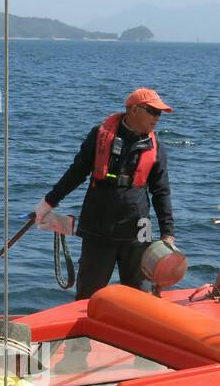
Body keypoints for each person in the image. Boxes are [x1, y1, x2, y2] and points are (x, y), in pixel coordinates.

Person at [33, 87, 177, 300]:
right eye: (153, 111)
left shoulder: (157, 149)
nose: (158, 117)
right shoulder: (99, 136)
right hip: (98, 229)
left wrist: (168, 234)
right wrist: (49, 202)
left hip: (137, 232)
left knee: (140, 298)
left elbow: (161, 192)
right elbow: (77, 172)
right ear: (134, 110)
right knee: (87, 296)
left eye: (160, 113)